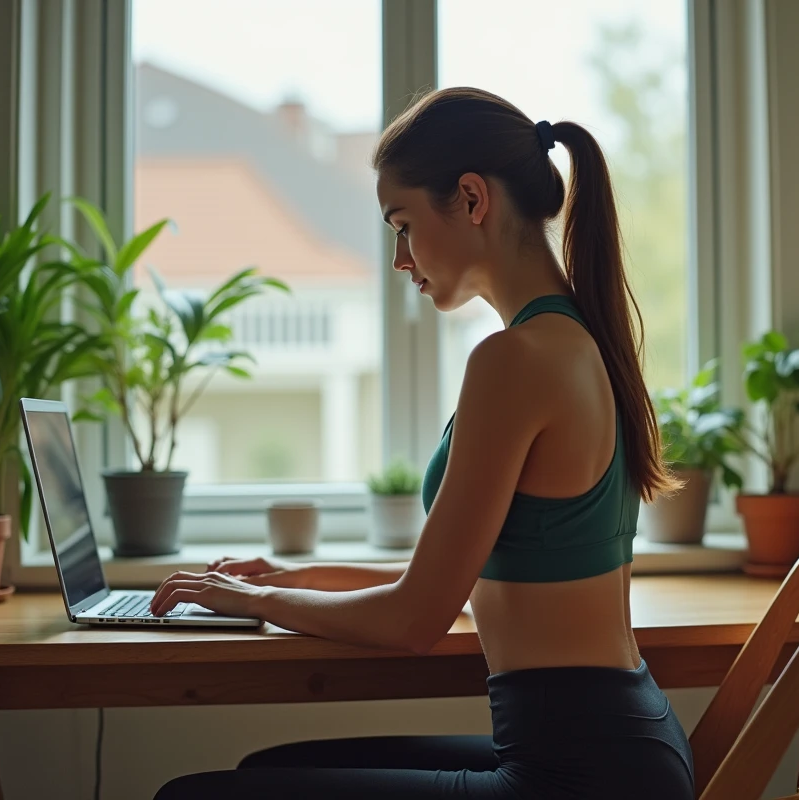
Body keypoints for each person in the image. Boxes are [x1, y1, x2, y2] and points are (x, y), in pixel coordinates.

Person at [151, 86, 696, 800]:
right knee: (259, 774)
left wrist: (255, 602)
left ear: (472, 199)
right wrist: (283, 580)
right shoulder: (571, 342)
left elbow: (415, 619)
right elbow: (443, 582)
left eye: (403, 225)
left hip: (579, 776)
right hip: (619, 750)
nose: (401, 259)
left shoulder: (516, 361)